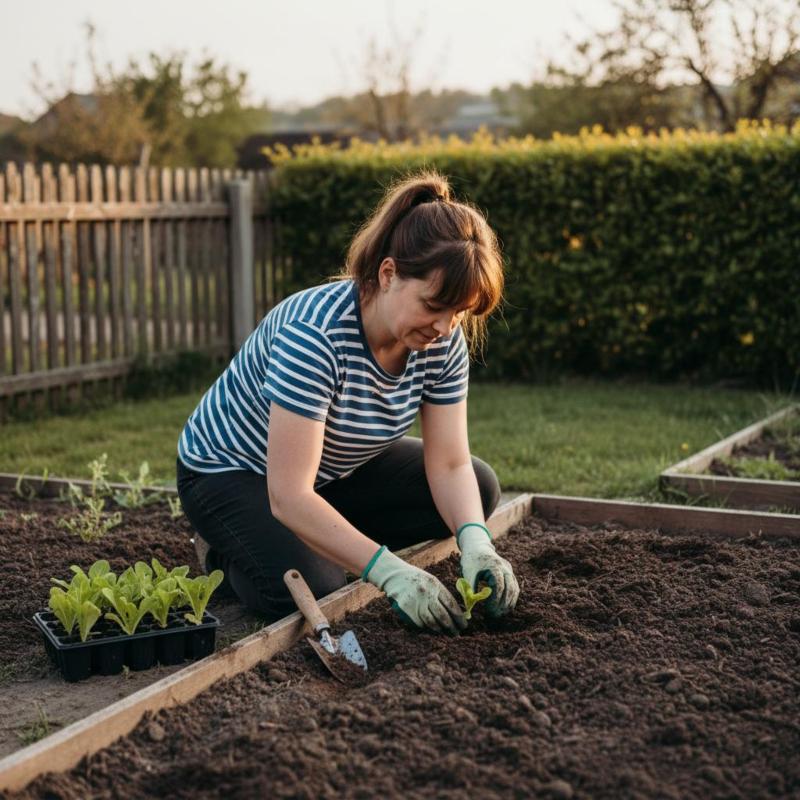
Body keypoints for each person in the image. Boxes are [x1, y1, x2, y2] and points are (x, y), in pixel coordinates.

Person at [176, 169, 519, 635]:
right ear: (388, 274)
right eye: (433, 306)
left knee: (478, 490)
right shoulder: (314, 335)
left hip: (327, 472)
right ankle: (225, 550)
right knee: (317, 586)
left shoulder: (440, 342)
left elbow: (450, 464)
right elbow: (289, 494)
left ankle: (324, 537)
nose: (444, 327)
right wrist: (390, 571)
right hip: (230, 475)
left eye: (458, 312)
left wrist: (478, 545)